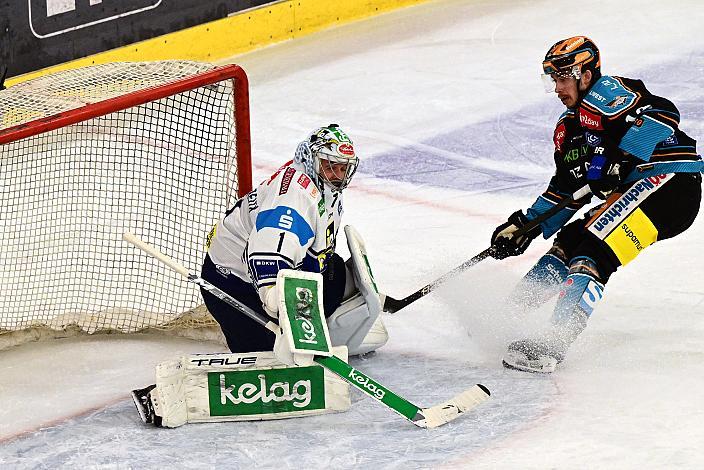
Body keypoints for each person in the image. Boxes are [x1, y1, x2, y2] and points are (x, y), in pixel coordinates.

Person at [491, 36, 703, 373]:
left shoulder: (606, 94)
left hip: (669, 183)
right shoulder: (570, 128)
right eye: (554, 80)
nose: (558, 88)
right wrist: (525, 225)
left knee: (593, 247)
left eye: (563, 79)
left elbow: (664, 114)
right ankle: (504, 317)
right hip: (643, 190)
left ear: (585, 75)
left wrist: (621, 158)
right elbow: (565, 190)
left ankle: (553, 343)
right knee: (569, 242)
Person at [201, 124, 388, 356]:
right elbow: (268, 253)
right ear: (310, 159)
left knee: (334, 275)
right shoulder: (293, 198)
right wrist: (276, 299)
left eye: (343, 169)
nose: (338, 176)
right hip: (233, 285)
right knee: (270, 355)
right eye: (330, 167)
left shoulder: (322, 185)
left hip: (276, 268)